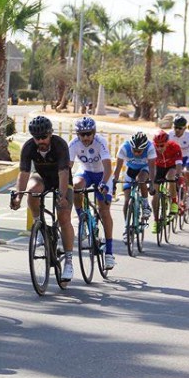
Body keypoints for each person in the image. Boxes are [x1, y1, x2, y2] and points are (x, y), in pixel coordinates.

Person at [10, 115, 75, 281]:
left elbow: (63, 173)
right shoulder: (29, 147)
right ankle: (38, 224)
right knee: (32, 190)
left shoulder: (60, 145)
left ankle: (68, 261)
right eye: (37, 138)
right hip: (41, 177)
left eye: (44, 137)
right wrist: (18, 196)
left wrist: (62, 196)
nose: (41, 141)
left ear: (50, 133)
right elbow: (24, 174)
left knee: (64, 216)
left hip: (61, 179)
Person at [68, 116, 116, 270]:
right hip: (86, 172)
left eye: (89, 133)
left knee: (104, 211)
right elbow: (67, 168)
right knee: (76, 185)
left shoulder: (100, 142)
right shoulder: (73, 144)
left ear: (94, 133)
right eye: (82, 134)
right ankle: (82, 216)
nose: (86, 137)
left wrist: (104, 184)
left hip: (103, 174)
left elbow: (108, 167)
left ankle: (109, 253)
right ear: (77, 135)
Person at [112, 131, 157, 235]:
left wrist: (151, 184)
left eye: (139, 151)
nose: (136, 153)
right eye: (134, 150)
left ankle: (146, 205)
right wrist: (114, 183)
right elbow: (117, 169)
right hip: (131, 170)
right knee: (127, 201)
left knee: (141, 179)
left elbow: (152, 167)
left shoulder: (150, 148)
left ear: (144, 148)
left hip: (144, 169)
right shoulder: (124, 147)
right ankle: (127, 227)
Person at [151, 129, 183, 234]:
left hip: (171, 167)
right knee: (154, 194)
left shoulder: (175, 147)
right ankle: (155, 221)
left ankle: (174, 201)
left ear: (167, 143)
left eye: (162, 145)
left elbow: (178, 163)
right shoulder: (152, 148)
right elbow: (149, 164)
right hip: (158, 168)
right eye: (157, 145)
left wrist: (178, 175)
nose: (159, 148)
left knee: (171, 177)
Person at [169, 115, 189, 211]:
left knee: (186, 172)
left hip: (188, 157)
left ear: (185, 128)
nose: (177, 130)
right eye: (175, 127)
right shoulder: (169, 135)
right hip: (175, 157)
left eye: (180, 128)